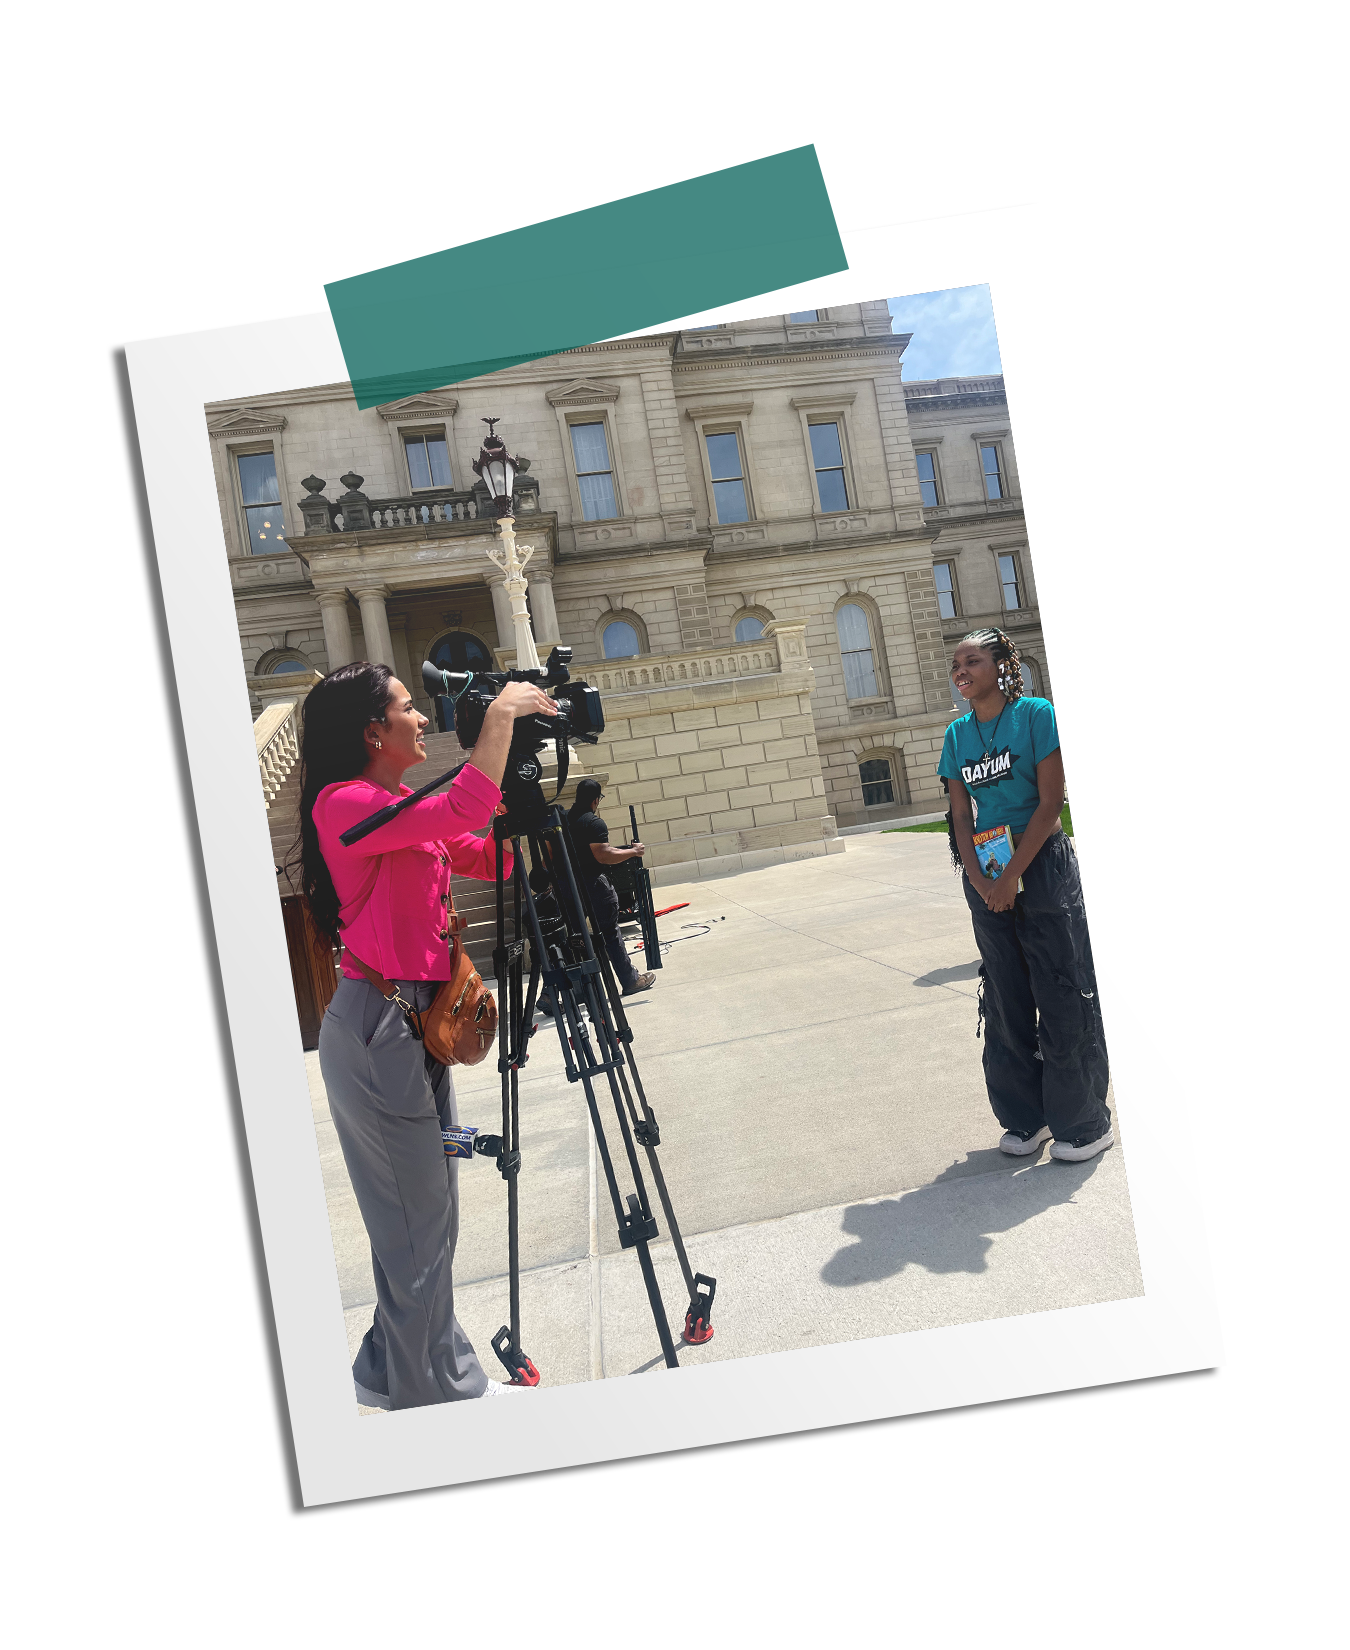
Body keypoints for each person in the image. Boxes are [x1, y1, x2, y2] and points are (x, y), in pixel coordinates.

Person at [295, 661, 558, 1410]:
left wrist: (531, 816)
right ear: (372, 731)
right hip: (381, 1029)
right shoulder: (344, 803)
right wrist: (497, 721)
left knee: (426, 1213)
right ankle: (436, 1393)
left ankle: (389, 1368)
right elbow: (462, 805)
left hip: (414, 1031)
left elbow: (486, 852)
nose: (423, 718)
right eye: (409, 709)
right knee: (418, 1220)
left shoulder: (398, 803)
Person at [938, 628, 1113, 1163]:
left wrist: (1013, 874)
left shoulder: (1036, 715)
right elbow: (961, 817)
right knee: (1006, 996)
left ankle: (1083, 1122)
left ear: (1001, 665)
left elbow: (1050, 803)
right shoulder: (956, 734)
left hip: (1040, 867)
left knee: (1061, 989)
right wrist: (982, 879)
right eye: (956, 664)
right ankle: (1025, 1116)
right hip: (988, 877)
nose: (961, 670)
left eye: (972, 660)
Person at [565, 778, 656, 995]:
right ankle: (630, 980)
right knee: (610, 933)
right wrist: (634, 852)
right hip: (594, 885)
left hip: (567, 885)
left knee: (572, 937)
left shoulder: (562, 819)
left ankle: (569, 992)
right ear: (595, 800)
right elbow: (603, 855)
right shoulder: (593, 823)